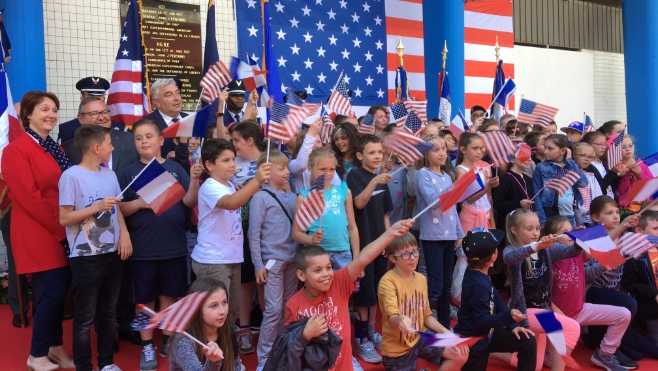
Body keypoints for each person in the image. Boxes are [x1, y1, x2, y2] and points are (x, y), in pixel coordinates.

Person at [118, 119, 203, 371]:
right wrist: (140, 203)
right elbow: (119, 207)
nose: (144, 141)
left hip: (173, 244)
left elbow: (189, 202)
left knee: (169, 294)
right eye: (138, 138)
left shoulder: (176, 168)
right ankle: (146, 346)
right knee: (144, 298)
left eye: (148, 136)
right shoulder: (129, 171)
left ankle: (167, 339)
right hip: (143, 247)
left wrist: (196, 179)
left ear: (160, 140)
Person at [3, 91, 75, 370]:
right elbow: (29, 197)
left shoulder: (53, 147)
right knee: (55, 291)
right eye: (44, 109)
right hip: (39, 230)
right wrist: (62, 226)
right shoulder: (16, 150)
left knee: (59, 288)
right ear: (28, 114)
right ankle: (36, 353)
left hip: (60, 226)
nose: (52, 114)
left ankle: (54, 346)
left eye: (54, 109)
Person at [285, 219, 414, 371]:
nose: (326, 274)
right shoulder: (293, 305)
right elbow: (289, 347)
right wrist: (305, 334)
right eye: (317, 270)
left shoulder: (338, 284)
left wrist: (390, 233)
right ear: (301, 275)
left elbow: (363, 258)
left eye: (328, 267)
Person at [58, 124, 132, 371]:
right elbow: (65, 218)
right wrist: (96, 207)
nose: (113, 147)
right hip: (85, 257)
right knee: (84, 318)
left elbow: (116, 209)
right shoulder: (71, 176)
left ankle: (107, 364)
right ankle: (84, 367)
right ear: (96, 147)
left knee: (108, 313)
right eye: (110, 143)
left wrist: (124, 236)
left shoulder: (109, 175)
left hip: (112, 254)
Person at [190, 138, 270, 354]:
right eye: (225, 160)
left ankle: (227, 359)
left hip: (231, 259)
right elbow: (231, 203)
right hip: (212, 261)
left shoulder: (230, 184)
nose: (232, 164)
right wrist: (257, 181)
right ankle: (208, 361)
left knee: (229, 314)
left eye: (233, 159)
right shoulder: (209, 186)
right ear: (209, 165)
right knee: (212, 318)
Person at [292, 146, 363, 371]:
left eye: (332, 169)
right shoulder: (304, 196)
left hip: (342, 254)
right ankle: (322, 353)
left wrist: (357, 259)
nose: (328, 173)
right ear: (311, 169)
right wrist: (311, 240)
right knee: (322, 306)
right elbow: (296, 233)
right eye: (322, 168)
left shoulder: (344, 191)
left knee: (344, 306)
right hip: (317, 258)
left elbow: (352, 227)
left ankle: (346, 351)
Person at [545, 215, 637, 370]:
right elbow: (540, 293)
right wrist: (555, 311)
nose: (570, 234)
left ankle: (605, 353)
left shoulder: (578, 254)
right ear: (553, 237)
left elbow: (601, 243)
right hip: (556, 317)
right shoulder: (547, 258)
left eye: (571, 230)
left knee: (623, 314)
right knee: (548, 361)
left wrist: (623, 225)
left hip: (580, 311)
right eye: (564, 232)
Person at [502, 208, 581, 371]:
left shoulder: (546, 250)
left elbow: (570, 251)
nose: (535, 233)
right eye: (529, 229)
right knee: (571, 327)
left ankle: (487, 347)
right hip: (524, 313)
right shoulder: (511, 251)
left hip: (543, 311)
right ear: (514, 230)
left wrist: (580, 241)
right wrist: (536, 246)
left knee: (536, 366)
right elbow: (510, 257)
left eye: (537, 228)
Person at [378, 234, 469, 371]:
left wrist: (449, 335)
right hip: (397, 350)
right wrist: (401, 319)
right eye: (405, 254)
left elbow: (427, 315)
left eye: (415, 251)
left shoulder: (420, 278)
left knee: (460, 354)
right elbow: (392, 319)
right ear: (392, 258)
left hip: (421, 337)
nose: (413, 257)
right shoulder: (387, 282)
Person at [454, 228, 537, 371]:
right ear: (493, 256)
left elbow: (496, 299)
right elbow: (481, 321)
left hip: (489, 334)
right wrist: (508, 317)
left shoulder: (477, 271)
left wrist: (513, 326)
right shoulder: (477, 285)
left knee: (527, 342)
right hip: (475, 342)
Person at [247, 150, 299, 371]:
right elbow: (253, 233)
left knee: (287, 308)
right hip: (273, 262)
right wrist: (258, 264)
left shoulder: (294, 196)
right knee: (273, 310)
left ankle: (281, 352)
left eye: (287, 167)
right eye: (281, 168)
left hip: (294, 260)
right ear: (267, 172)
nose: (287, 172)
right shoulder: (260, 196)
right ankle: (264, 360)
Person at [347, 135, 393, 362]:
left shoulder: (380, 179)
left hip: (379, 245)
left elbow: (385, 213)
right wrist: (374, 181)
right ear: (359, 156)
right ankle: (360, 339)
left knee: (376, 294)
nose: (377, 156)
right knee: (363, 297)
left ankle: (372, 334)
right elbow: (358, 203)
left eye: (380, 152)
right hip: (364, 247)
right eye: (372, 152)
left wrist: (388, 239)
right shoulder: (355, 175)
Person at [414, 134, 464, 328]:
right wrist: (454, 188)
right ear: (426, 154)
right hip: (432, 236)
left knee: (446, 283)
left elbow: (452, 210)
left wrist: (459, 233)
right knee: (434, 284)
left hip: (449, 235)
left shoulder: (447, 176)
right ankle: (421, 322)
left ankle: (443, 324)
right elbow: (435, 203)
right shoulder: (423, 174)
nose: (442, 153)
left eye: (444, 148)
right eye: (436, 150)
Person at [227, 120, 268, 354]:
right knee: (244, 283)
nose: (233, 145)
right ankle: (243, 331)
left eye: (236, 141)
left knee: (264, 281)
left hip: (267, 231)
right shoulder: (234, 164)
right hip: (240, 229)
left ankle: (267, 328)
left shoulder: (270, 160)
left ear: (250, 141)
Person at [168, 278, 244, 371]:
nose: (222, 311)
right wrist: (214, 362)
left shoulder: (228, 331)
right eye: (213, 305)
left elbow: (235, 367)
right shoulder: (182, 341)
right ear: (197, 309)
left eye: (224, 302)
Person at [61, 97, 138, 176]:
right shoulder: (68, 150)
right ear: (81, 119)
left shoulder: (131, 139)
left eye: (105, 112)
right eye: (94, 113)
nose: (101, 117)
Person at [532, 134, 587, 226]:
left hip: (570, 215)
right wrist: (542, 219)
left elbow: (583, 183)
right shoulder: (541, 167)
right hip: (550, 215)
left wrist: (570, 161)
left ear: (563, 150)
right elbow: (536, 194)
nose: (545, 151)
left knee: (569, 240)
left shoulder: (570, 166)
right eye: (545, 148)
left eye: (550, 148)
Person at [622, 210, 658, 347]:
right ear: (639, 231)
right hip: (651, 310)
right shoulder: (634, 256)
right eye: (655, 229)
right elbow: (629, 283)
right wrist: (653, 293)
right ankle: (641, 335)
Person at [57, 76, 125, 144]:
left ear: (104, 99)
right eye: (91, 97)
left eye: (98, 97)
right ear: (82, 99)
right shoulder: (67, 129)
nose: (95, 101)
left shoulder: (119, 127)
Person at [455, 132, 499, 231]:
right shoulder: (461, 170)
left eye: (481, 148)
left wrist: (492, 223)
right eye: (475, 149)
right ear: (463, 149)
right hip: (470, 218)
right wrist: (488, 186)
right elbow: (470, 198)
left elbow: (486, 199)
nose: (479, 152)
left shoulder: (480, 171)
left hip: (485, 217)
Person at [140, 78, 188, 159]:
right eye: (169, 95)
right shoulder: (145, 125)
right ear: (157, 102)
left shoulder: (192, 119)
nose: (176, 98)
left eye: (177, 93)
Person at [612, 134, 652, 216]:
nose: (628, 149)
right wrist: (627, 175)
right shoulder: (616, 166)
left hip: (646, 206)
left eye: (630, 146)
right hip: (628, 209)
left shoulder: (641, 162)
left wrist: (640, 175)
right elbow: (620, 191)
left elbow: (651, 184)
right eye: (623, 147)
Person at [571, 142, 603, 225]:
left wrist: (595, 209)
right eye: (583, 155)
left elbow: (598, 196)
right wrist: (586, 211)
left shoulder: (591, 176)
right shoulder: (570, 175)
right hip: (578, 218)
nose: (587, 159)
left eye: (590, 157)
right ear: (573, 155)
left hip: (591, 218)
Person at [581, 131, 616, 199]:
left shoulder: (603, 163)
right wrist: (612, 172)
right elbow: (599, 187)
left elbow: (611, 186)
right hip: (599, 203)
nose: (603, 147)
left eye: (605, 144)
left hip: (611, 200)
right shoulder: (587, 166)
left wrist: (619, 174)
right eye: (600, 144)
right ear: (588, 144)